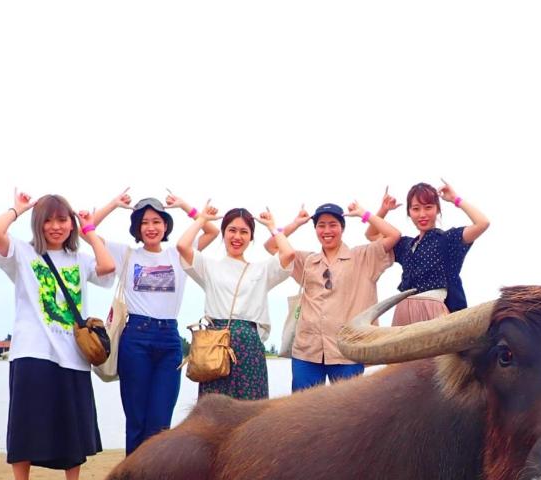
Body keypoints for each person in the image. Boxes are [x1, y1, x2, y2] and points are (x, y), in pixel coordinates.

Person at [0, 190, 116, 480]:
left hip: (72, 353)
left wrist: (90, 231)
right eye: (49, 221)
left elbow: (108, 266)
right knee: (26, 420)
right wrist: (18, 208)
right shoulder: (22, 254)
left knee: (72, 421)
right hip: (32, 350)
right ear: (38, 224)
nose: (56, 227)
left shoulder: (79, 260)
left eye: (62, 220)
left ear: (70, 225)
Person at [88, 189, 218, 454]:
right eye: (144, 222)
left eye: (157, 221)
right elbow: (86, 229)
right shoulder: (126, 254)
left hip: (169, 339)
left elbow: (211, 232)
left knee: (160, 422)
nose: (150, 227)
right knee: (136, 419)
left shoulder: (177, 254)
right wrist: (113, 203)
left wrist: (185, 206)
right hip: (135, 339)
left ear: (166, 225)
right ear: (136, 227)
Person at [267, 201, 400, 391]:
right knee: (302, 412)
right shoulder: (308, 260)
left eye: (333, 225)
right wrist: (296, 223)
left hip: (347, 350)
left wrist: (364, 213)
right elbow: (272, 245)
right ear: (315, 229)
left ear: (342, 228)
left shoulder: (363, 257)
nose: (327, 230)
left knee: (348, 413)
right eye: (321, 225)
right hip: (307, 350)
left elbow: (394, 235)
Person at [177, 205, 296, 400]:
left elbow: (289, 254)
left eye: (244, 232)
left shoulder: (261, 270)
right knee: (213, 411)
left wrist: (272, 227)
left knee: (250, 410)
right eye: (232, 230)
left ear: (251, 237)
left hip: (249, 344)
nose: (237, 237)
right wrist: (201, 219)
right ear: (223, 234)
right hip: (215, 344)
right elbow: (182, 246)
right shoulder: (209, 266)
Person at [368, 179, 490, 324]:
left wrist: (454, 199)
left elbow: (482, 223)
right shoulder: (406, 245)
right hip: (403, 310)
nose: (422, 214)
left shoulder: (448, 239)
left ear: (437, 209)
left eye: (428, 207)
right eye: (416, 209)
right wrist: (384, 210)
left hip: (434, 310)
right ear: (409, 212)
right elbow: (372, 234)